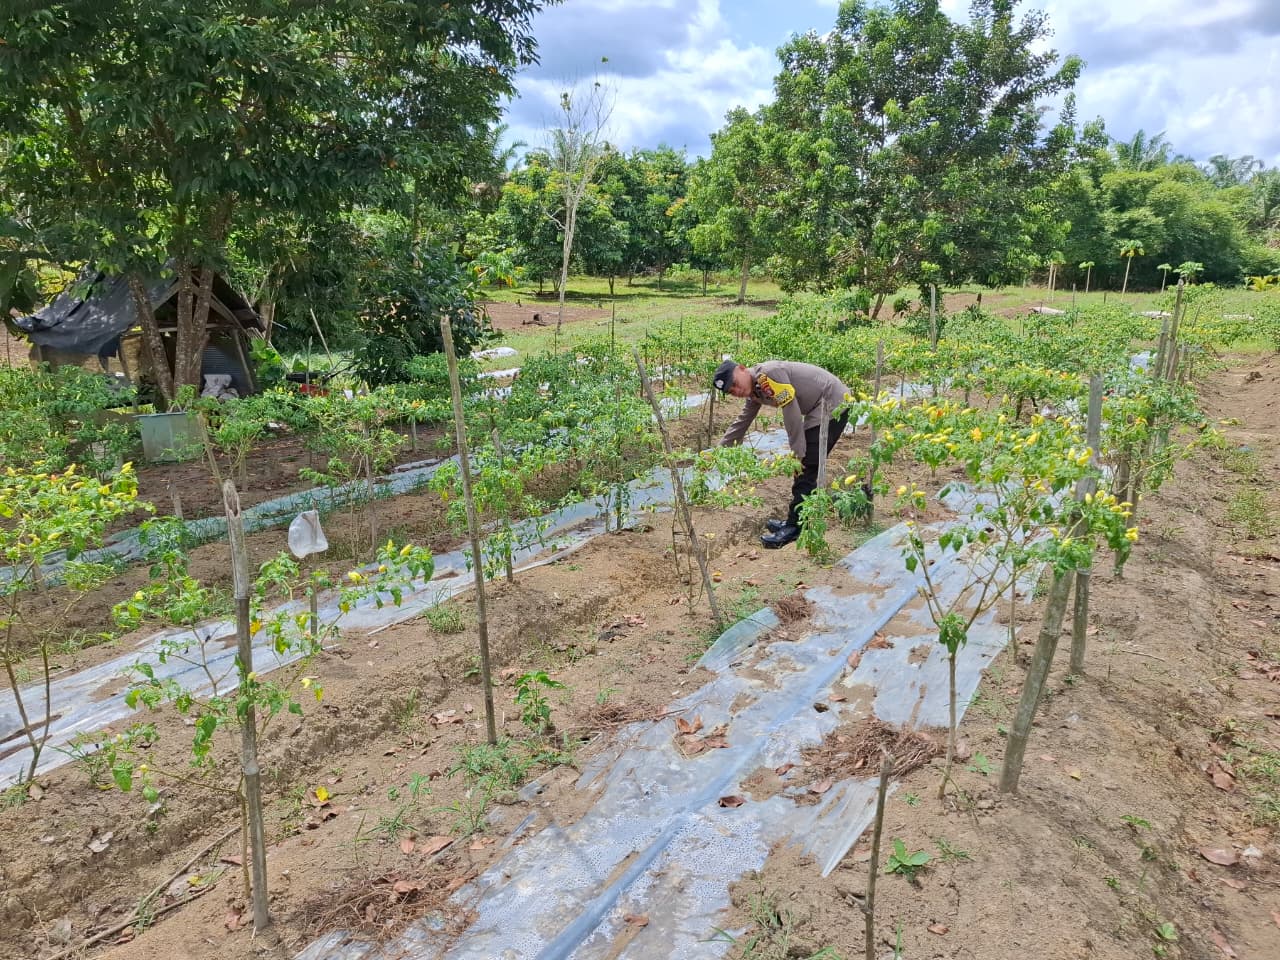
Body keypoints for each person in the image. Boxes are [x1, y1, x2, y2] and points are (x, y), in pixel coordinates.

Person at [714, 357, 851, 548]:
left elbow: (791, 410)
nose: (736, 391)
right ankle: (794, 521)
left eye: (735, 384)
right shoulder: (755, 390)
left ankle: (795, 528)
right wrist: (719, 452)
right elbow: (744, 419)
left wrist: (797, 451)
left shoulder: (768, 375)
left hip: (832, 402)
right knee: (804, 467)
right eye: (731, 391)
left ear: (742, 369)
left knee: (806, 465)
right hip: (817, 407)